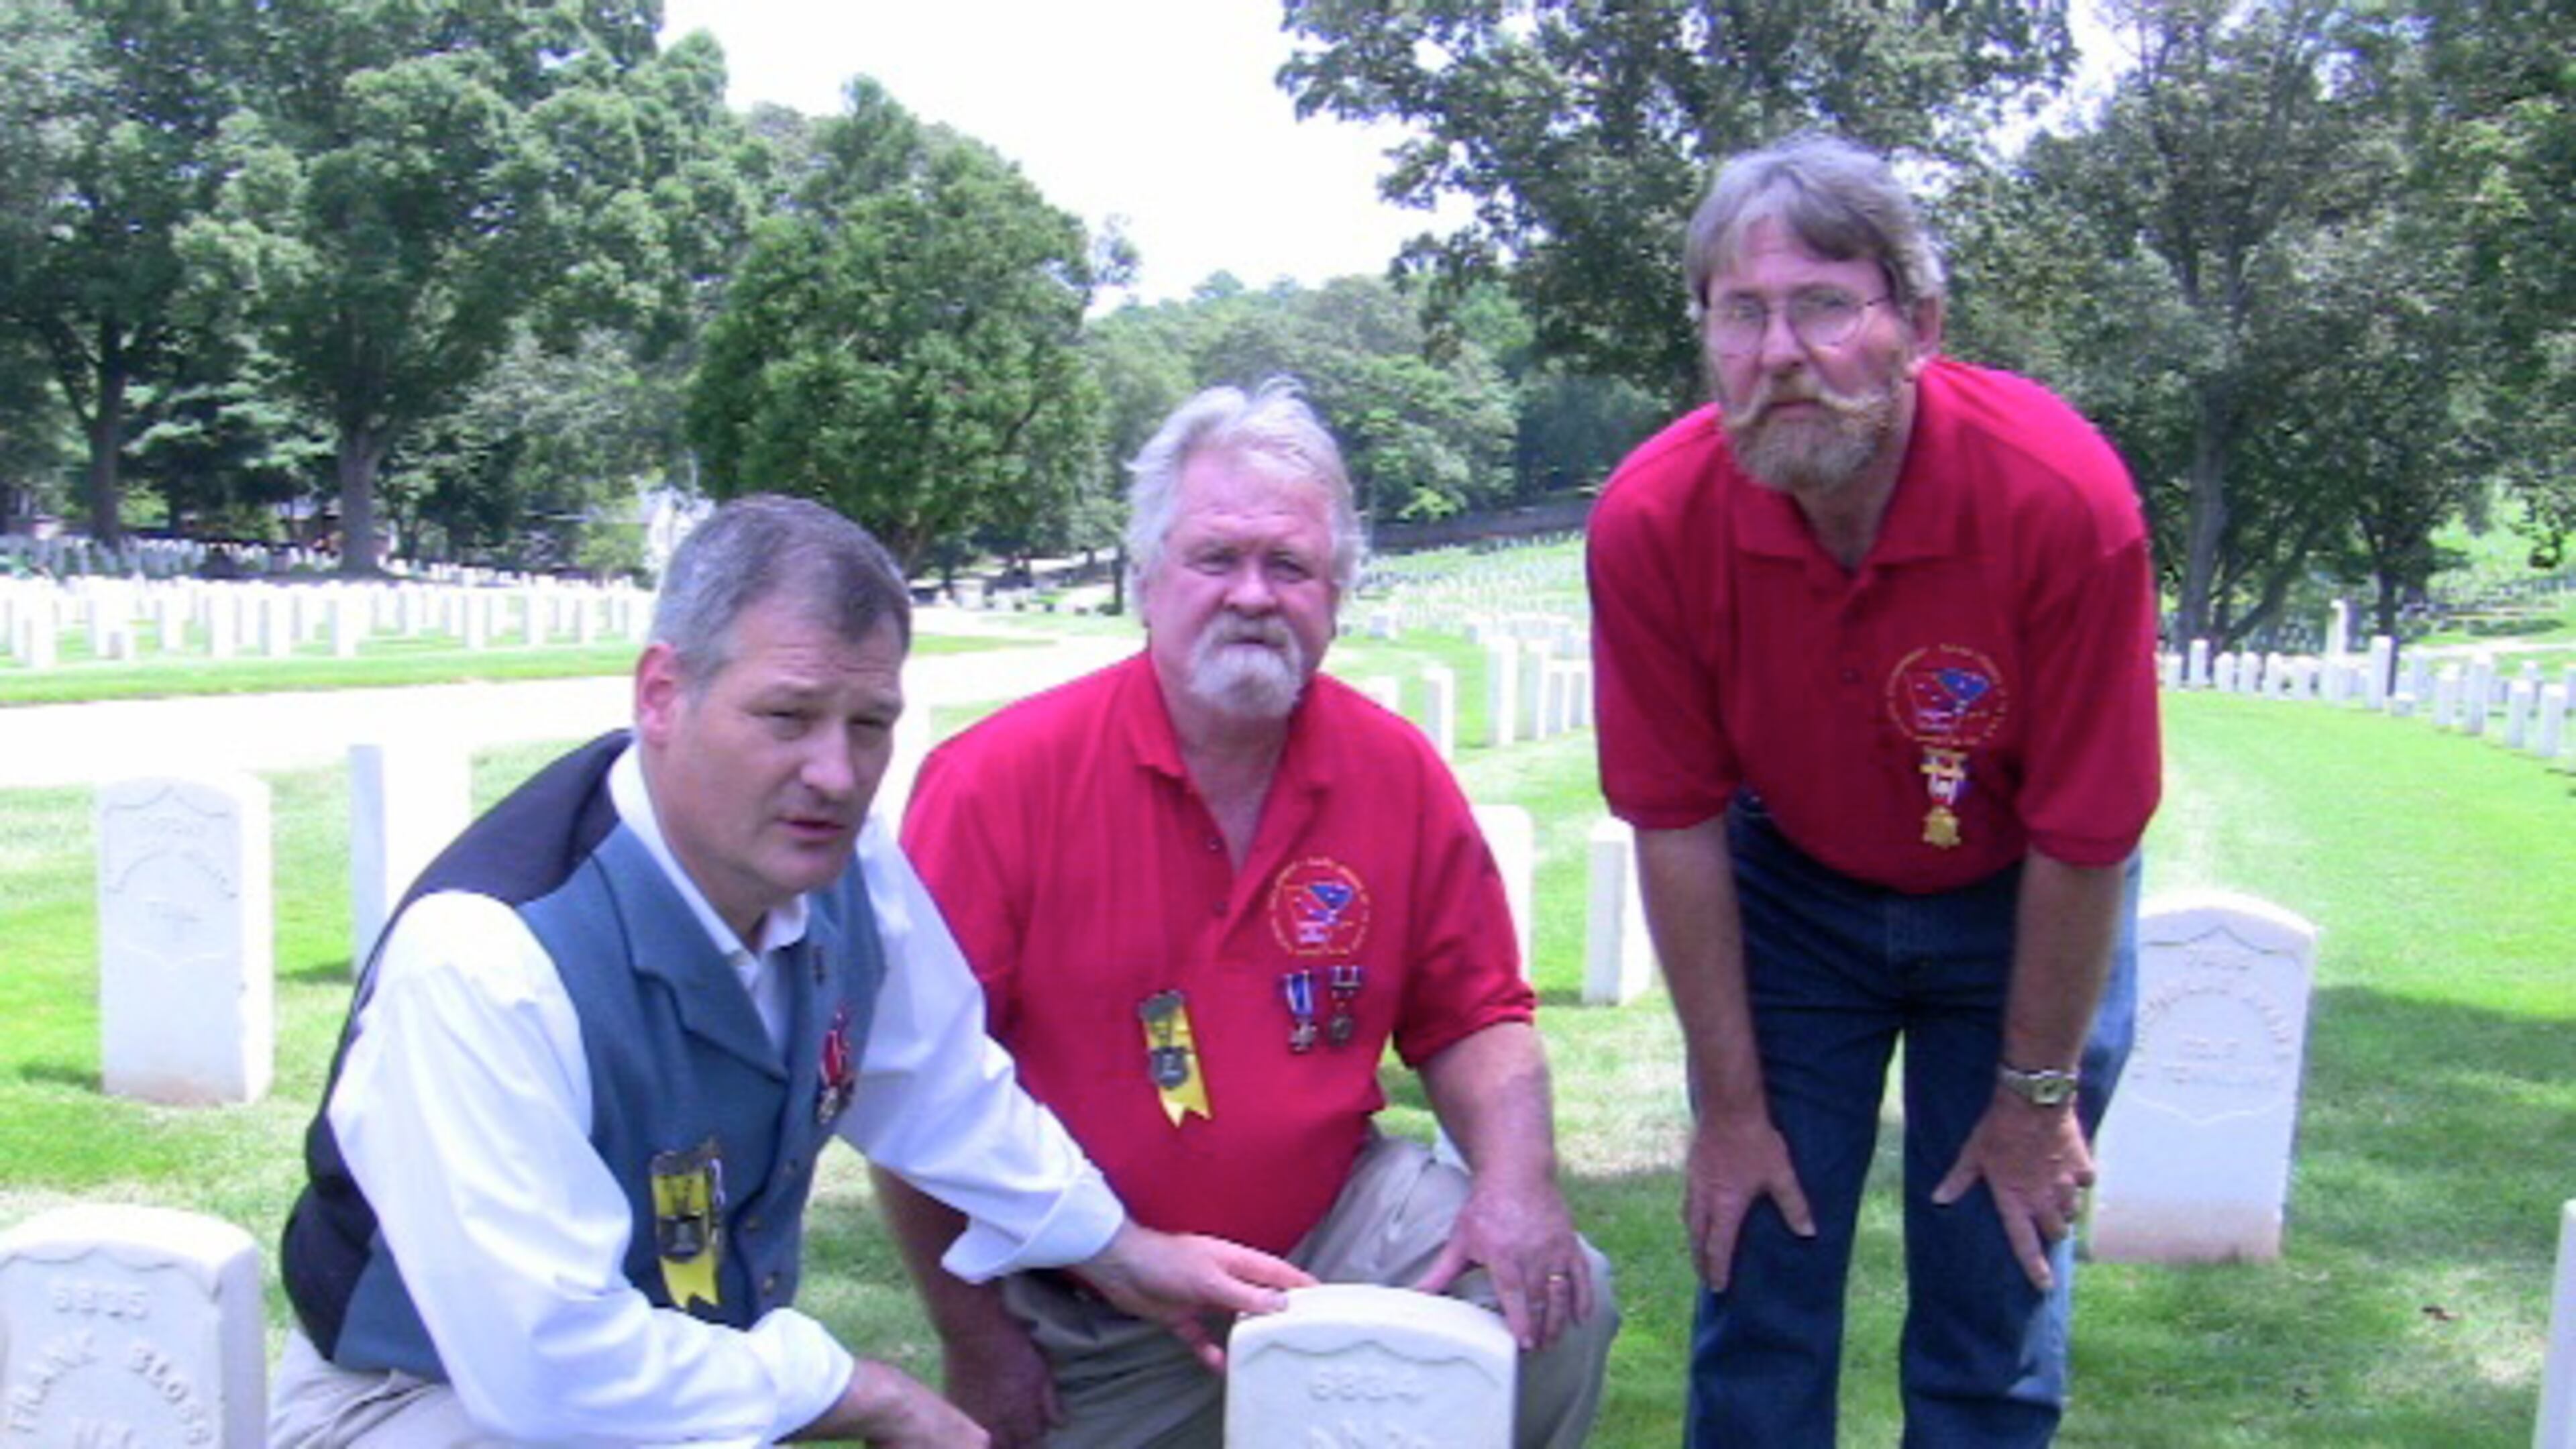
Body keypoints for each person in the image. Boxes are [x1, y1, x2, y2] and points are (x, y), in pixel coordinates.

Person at [270, 494, 1313, 1448]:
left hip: (658, 1384)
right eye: (788, 717)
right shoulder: (487, 960)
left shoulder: (849, 868)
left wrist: (1118, 1247)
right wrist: (863, 1389)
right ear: (664, 693)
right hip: (416, 1401)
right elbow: (548, 1368)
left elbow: (942, 1085)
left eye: (871, 726)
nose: (836, 774)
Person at [878, 381, 1617, 1448]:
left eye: (1292, 567)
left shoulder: (1391, 771)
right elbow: (918, 1090)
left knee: (1552, 1298)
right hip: (1095, 1293)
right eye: (1216, 560)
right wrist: (977, 1337)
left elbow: (1473, 1018)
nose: (1254, 596)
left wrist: (1518, 1184)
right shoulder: (997, 785)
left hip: (1336, 1233)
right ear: (1145, 581)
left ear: (1338, 591)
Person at [1586, 133, 2161, 1446]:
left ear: (1921, 326)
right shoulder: (1652, 521)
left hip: (2023, 898)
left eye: (1827, 304)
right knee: (1762, 1283)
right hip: (1790, 895)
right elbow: (1673, 821)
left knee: (1992, 1298)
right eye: (1743, 313)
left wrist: (2034, 1100)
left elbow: (2088, 834)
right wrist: (1729, 1111)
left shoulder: (2062, 499)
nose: (1781, 350)